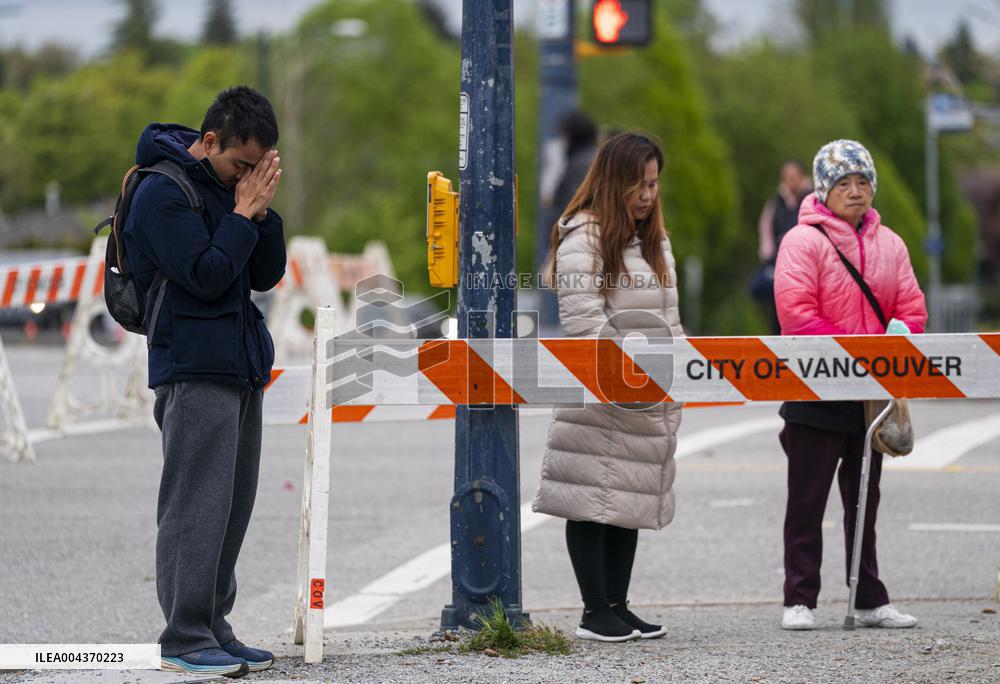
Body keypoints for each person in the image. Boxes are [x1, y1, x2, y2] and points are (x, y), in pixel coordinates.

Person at [124, 86, 285, 677]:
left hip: (238, 363)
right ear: (210, 140)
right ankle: (184, 636)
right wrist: (241, 215)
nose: (247, 177)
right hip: (192, 367)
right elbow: (206, 275)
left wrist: (260, 215)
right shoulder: (162, 192)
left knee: (231, 506)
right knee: (195, 506)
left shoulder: (226, 190)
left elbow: (263, 274)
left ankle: (214, 626)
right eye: (242, 165)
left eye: (258, 169)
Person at [532, 133, 682, 642]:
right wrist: (631, 372)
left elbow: (671, 321)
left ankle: (618, 605)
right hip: (601, 393)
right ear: (614, 182)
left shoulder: (654, 240)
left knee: (625, 500)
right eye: (638, 184)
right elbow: (584, 323)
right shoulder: (584, 237)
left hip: (645, 393)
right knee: (590, 500)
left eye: (654, 184)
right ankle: (594, 611)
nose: (647, 195)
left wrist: (674, 370)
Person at [773, 139, 926, 631]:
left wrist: (898, 337)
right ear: (824, 189)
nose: (856, 191)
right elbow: (796, 315)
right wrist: (855, 356)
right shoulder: (802, 241)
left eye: (863, 181)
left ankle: (869, 597)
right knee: (807, 501)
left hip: (870, 397)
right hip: (815, 391)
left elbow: (912, 307)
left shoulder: (891, 243)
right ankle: (799, 597)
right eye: (843, 183)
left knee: (864, 501)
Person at [753, 160, 813, 333]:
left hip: (805, 265)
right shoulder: (776, 203)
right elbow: (766, 230)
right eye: (786, 177)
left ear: (802, 176)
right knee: (779, 313)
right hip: (780, 264)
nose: (790, 180)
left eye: (793, 176)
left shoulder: (812, 200)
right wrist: (768, 258)